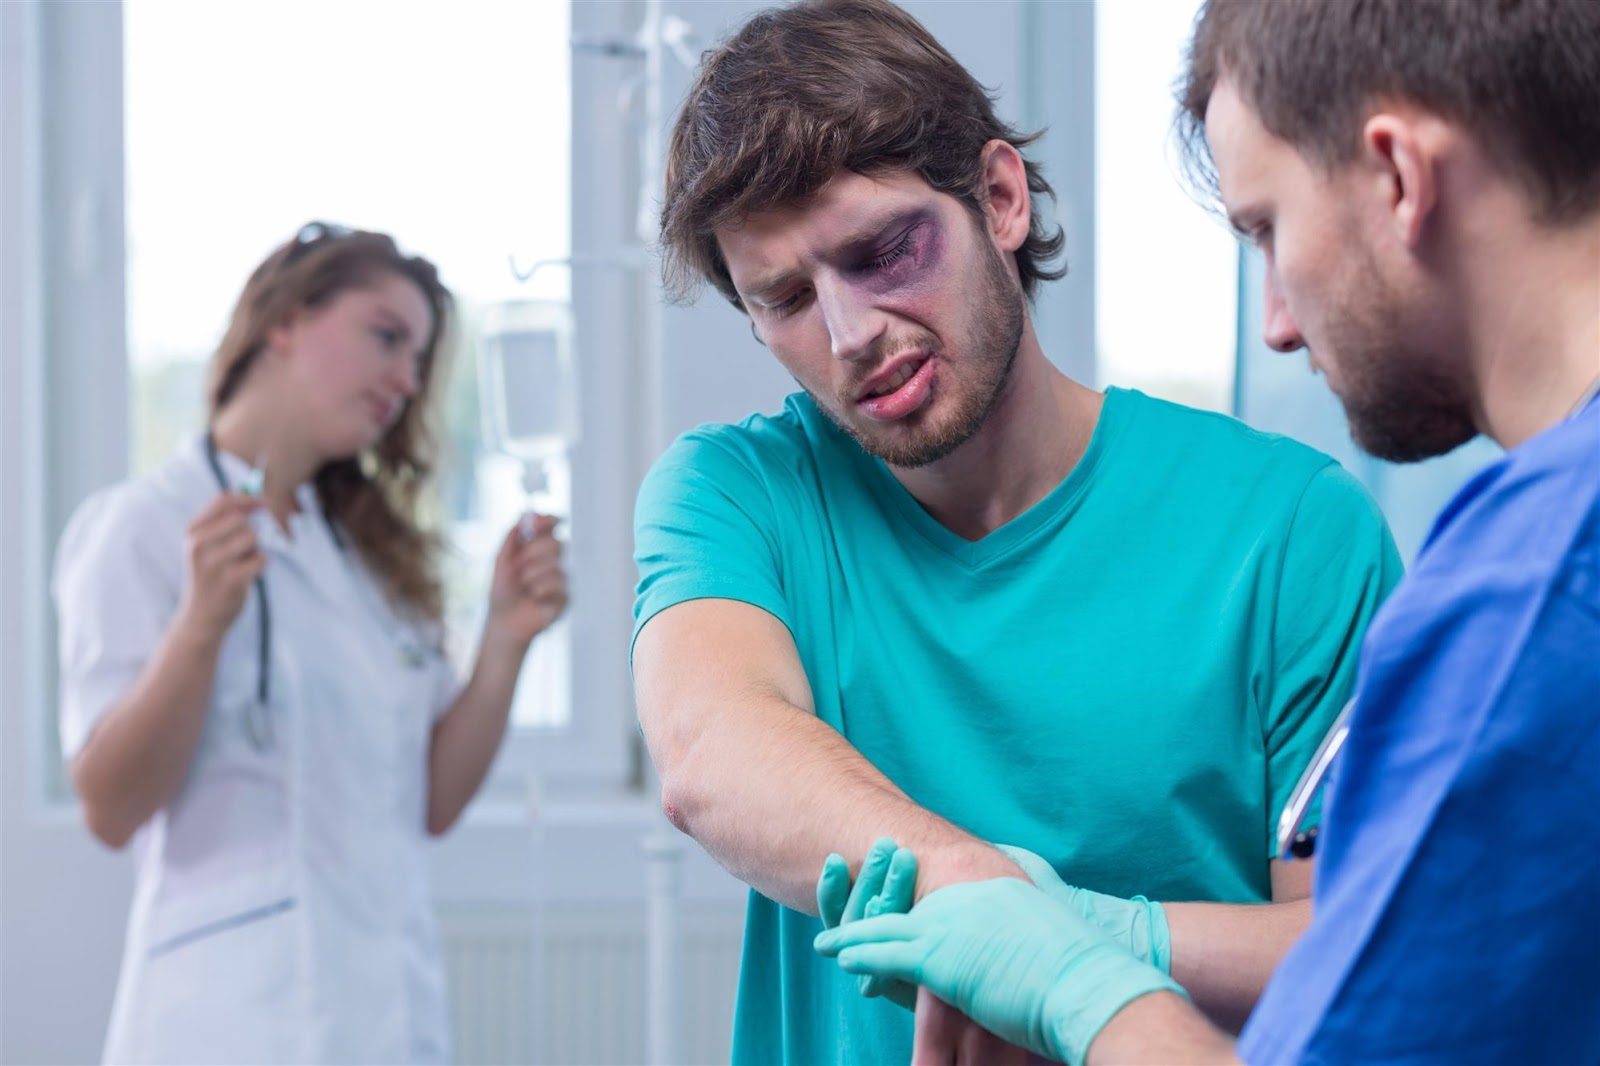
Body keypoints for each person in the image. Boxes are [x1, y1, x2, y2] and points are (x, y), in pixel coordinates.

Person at [815, 0, 1600, 1062]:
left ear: (1399, 179)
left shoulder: (1531, 597)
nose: (1275, 319)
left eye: (1268, 226)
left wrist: (1079, 983)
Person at [631, 1, 1402, 1062]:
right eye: (788, 298)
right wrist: (995, 912)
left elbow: (1364, 955)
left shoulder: (1288, 528)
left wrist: (1091, 951)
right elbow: (710, 750)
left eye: (881, 252)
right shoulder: (739, 493)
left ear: (998, 198)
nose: (853, 334)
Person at [53, 222, 569, 1064]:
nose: (405, 380)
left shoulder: (363, 554)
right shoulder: (139, 529)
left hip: (387, 1007)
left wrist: (506, 642)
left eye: (418, 361)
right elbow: (110, 808)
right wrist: (201, 626)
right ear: (285, 321)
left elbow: (431, 801)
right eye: (386, 336)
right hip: (230, 1018)